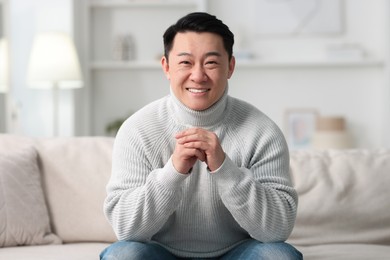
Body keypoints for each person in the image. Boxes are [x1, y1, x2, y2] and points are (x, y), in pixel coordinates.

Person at [100, 12, 302, 260]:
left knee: (278, 256)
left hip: (238, 252)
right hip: (160, 252)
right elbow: (126, 229)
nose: (198, 76)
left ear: (230, 67)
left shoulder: (262, 131)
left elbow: (277, 229)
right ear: (166, 67)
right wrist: (173, 172)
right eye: (185, 62)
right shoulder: (138, 129)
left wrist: (225, 169)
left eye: (211, 63)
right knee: (124, 255)